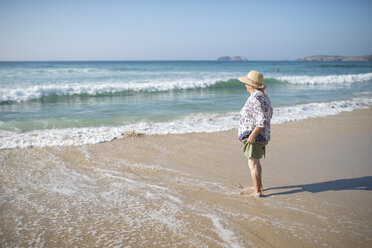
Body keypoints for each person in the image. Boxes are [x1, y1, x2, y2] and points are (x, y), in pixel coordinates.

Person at [238, 70, 273, 197]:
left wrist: (252, 135)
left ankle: (257, 191)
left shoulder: (255, 98)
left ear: (251, 85)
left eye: (247, 83)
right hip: (262, 136)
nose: (245, 85)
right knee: (256, 162)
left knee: (252, 164)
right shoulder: (263, 96)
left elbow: (261, 120)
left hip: (255, 136)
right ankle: (259, 186)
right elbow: (269, 113)